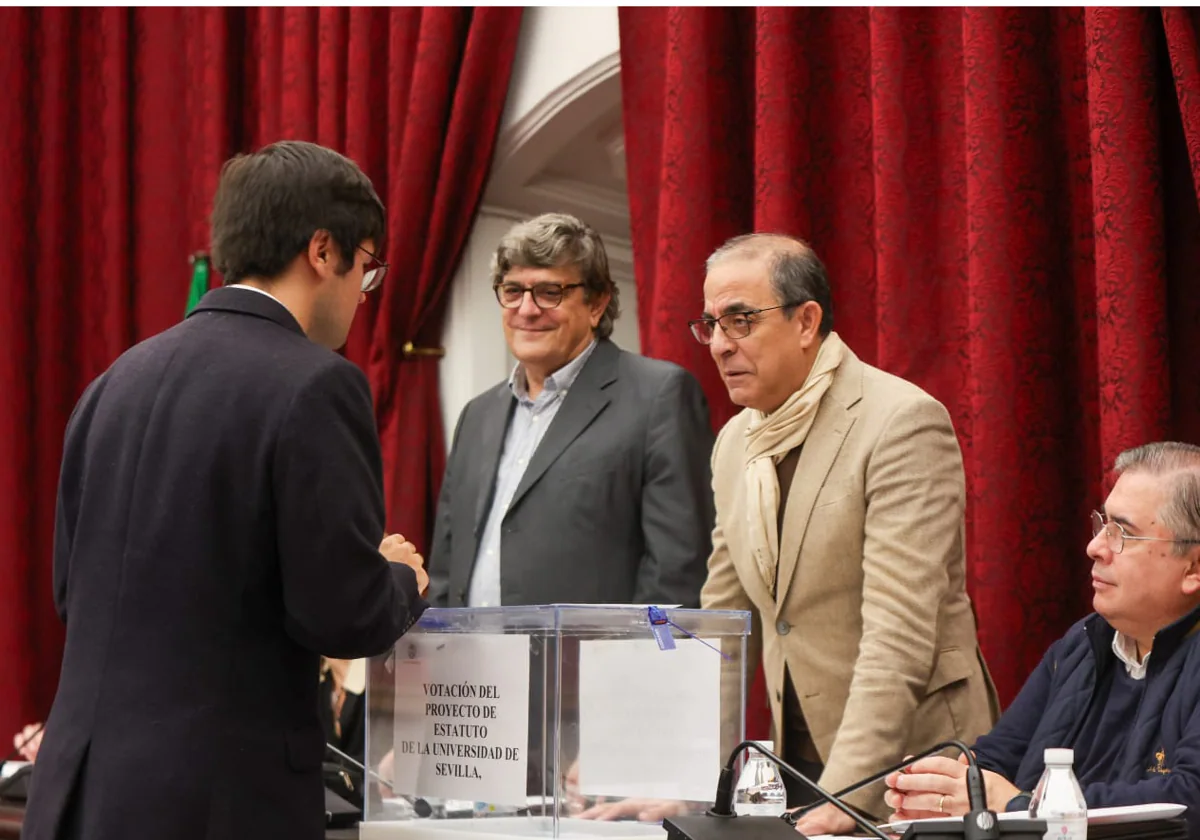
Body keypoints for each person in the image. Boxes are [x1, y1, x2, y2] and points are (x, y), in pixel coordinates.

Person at [22, 140, 429, 840]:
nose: (364, 299)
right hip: (219, 802)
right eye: (368, 271)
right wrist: (399, 577)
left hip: (78, 794)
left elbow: (73, 591)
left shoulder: (112, 383)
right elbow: (341, 611)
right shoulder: (316, 383)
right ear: (324, 251)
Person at [696, 234, 998, 834]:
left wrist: (840, 800)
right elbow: (723, 628)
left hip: (914, 767)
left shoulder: (900, 421)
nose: (721, 344)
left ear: (806, 321)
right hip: (804, 762)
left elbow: (901, 631)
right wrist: (675, 775)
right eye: (709, 325)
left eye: (740, 320)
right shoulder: (735, 443)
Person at [886, 442, 1200, 836]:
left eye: (1123, 534)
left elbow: (1190, 799)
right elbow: (996, 760)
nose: (1095, 547)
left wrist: (1017, 805)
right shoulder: (1082, 645)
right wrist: (941, 789)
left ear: (1193, 568)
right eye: (1102, 524)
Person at [427, 212, 715, 609]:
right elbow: (447, 563)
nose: (526, 309)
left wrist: (637, 667)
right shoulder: (476, 415)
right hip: (474, 666)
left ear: (597, 304)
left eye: (549, 292)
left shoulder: (659, 396)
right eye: (512, 291)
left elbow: (676, 571)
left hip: (592, 667)